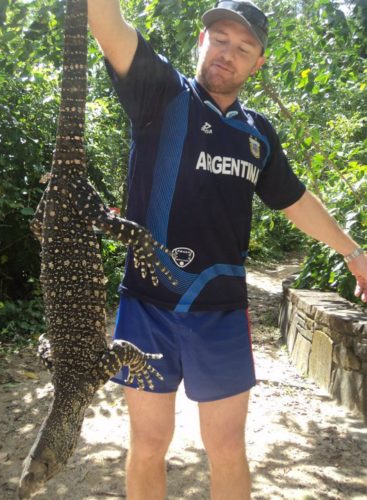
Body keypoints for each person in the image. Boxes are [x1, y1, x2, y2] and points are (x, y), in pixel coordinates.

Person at [88, 1, 367, 498]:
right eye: (220, 39)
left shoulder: (257, 133)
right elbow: (108, 26)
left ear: (258, 63)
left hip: (220, 312)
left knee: (227, 447)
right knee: (150, 442)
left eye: (244, 47)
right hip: (146, 307)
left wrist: (352, 251)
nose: (228, 54)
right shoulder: (160, 92)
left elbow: (294, 199)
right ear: (201, 42)